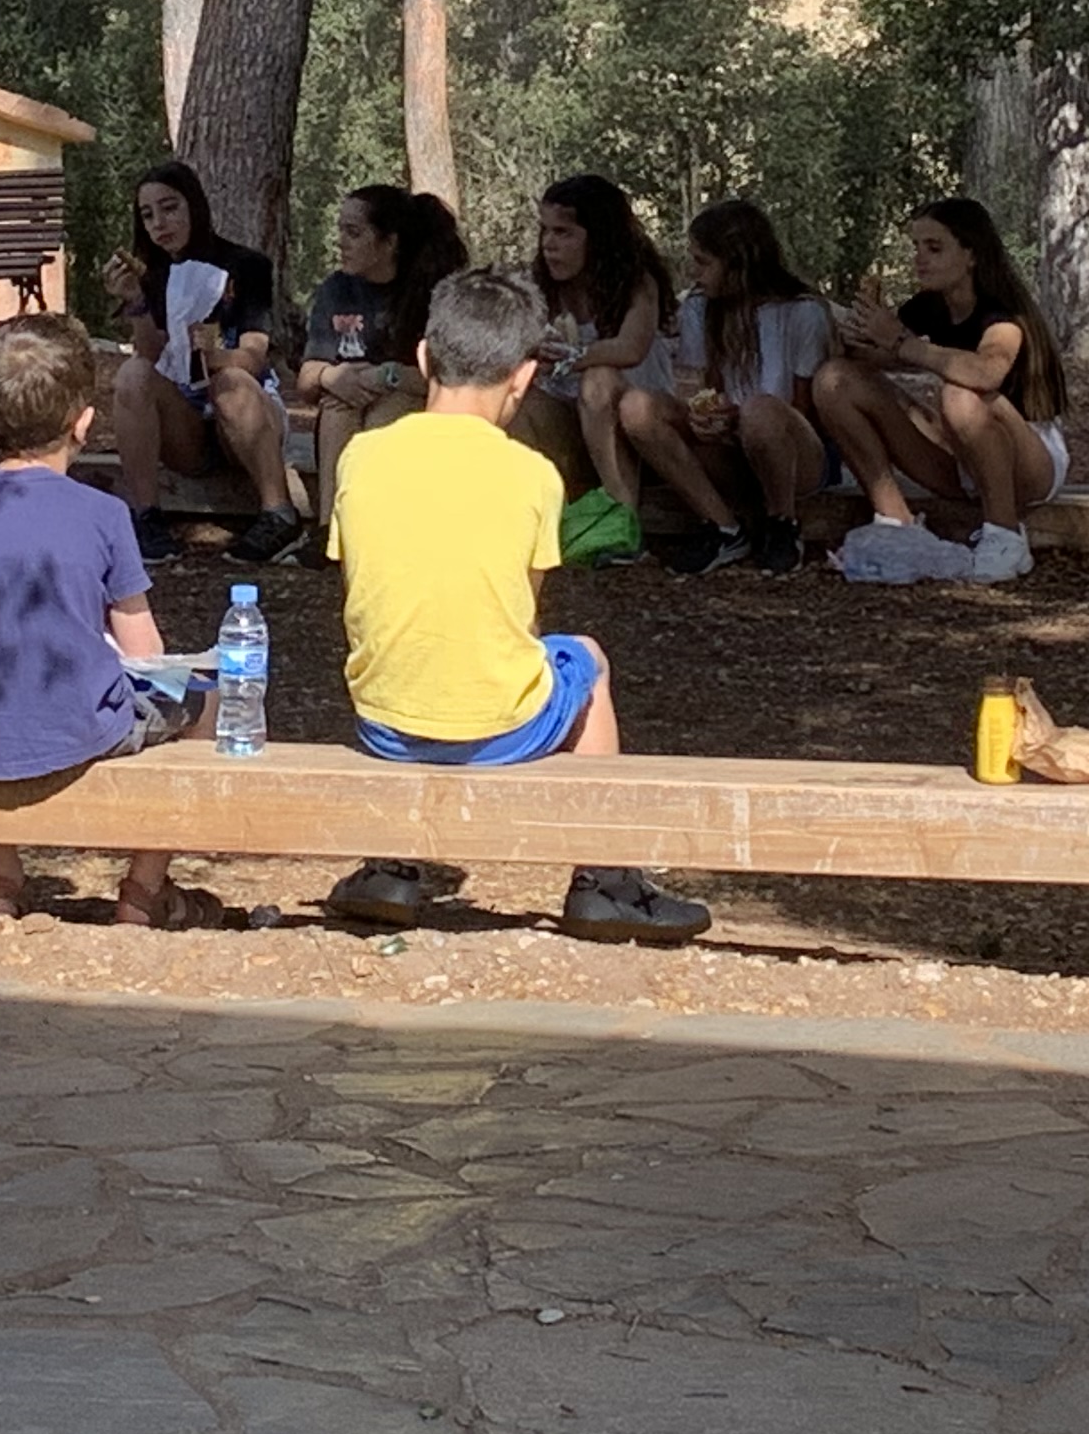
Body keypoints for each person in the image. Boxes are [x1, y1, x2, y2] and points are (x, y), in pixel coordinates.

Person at [321, 264, 711, 947]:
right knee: (586, 659)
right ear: (524, 377)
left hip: (384, 721)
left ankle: (390, 867)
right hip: (501, 727)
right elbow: (519, 615)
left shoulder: (361, 456)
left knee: (409, 651)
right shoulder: (533, 474)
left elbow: (361, 591)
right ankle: (605, 879)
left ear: (423, 358)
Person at [0, 313, 218, 928]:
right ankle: (143, 889)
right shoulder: (104, 514)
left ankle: (1, 882)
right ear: (83, 423)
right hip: (82, 725)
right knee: (207, 699)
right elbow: (143, 649)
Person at [813, 195, 1070, 584]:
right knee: (835, 380)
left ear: (971, 254)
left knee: (959, 393)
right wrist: (853, 335)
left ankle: (1005, 536)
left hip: (1029, 462)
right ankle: (895, 521)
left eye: (934, 248)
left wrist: (900, 341)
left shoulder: (1001, 314)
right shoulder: (929, 305)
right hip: (961, 455)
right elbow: (878, 358)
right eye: (916, 247)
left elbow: (987, 372)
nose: (920, 259)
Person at [96, 160, 302, 565]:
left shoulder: (246, 265)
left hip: (246, 412)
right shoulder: (153, 275)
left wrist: (210, 357)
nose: (159, 223)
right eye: (148, 215)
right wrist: (135, 301)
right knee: (133, 373)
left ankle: (279, 515)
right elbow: (150, 359)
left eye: (170, 207)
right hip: (187, 424)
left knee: (229, 383)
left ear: (194, 205)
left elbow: (254, 356)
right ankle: (147, 518)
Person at [618, 197, 833, 576]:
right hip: (731, 450)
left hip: (792, 455)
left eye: (703, 262)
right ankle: (723, 527)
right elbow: (701, 388)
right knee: (636, 407)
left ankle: (782, 523)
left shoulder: (803, 313)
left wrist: (746, 421)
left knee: (759, 410)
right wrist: (706, 418)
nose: (694, 273)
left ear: (738, 264)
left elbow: (804, 411)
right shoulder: (700, 307)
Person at [512, 175, 675, 539]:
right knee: (515, 398)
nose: (548, 244)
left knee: (598, 378)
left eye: (563, 233)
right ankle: (532, 515)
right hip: (571, 428)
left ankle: (620, 519)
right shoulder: (539, 287)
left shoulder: (637, 282)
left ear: (599, 236)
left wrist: (570, 357)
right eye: (545, 231)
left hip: (637, 428)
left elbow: (630, 348)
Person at [292, 185, 464, 520]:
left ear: (389, 242)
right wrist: (331, 376)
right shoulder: (336, 290)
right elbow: (307, 379)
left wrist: (386, 376)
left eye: (354, 233)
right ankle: (332, 528)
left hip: (414, 406)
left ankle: (370, 525)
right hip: (347, 407)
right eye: (340, 230)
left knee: (385, 412)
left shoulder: (434, 292)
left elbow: (449, 381)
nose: (341, 242)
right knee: (337, 405)